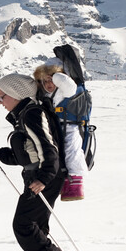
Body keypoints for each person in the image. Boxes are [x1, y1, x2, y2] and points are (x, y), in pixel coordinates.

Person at [0, 73, 81, 251]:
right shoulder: (23, 115)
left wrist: (44, 178)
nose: (0, 101)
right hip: (39, 177)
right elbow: (26, 155)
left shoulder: (32, 114)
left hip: (44, 178)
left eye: (2, 96)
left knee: (24, 225)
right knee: (36, 227)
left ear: (17, 94)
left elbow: (49, 150)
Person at [33, 60, 89, 201]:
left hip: (70, 127)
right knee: (55, 155)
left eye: (50, 80)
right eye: (44, 82)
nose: (48, 84)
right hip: (54, 128)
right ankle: (61, 181)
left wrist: (55, 75)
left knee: (72, 150)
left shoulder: (66, 90)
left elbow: (67, 83)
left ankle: (76, 182)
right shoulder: (45, 95)